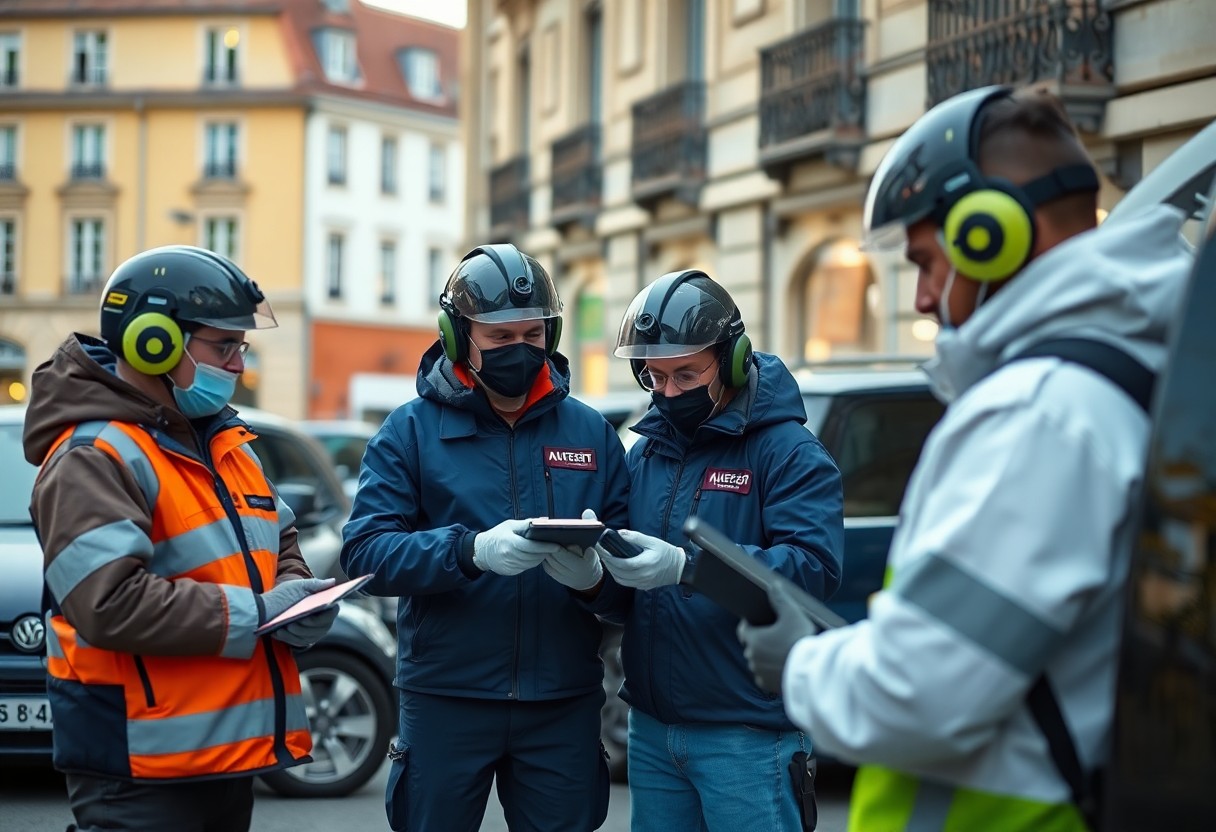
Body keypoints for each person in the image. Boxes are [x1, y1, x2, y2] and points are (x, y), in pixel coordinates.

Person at [738, 85, 1194, 830]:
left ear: (993, 232)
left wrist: (802, 664)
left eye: (925, 259)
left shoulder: (1039, 411)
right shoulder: (1139, 374)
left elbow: (920, 695)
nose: (921, 299)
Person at [22, 245, 339, 832]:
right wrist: (257, 613)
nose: (239, 364)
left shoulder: (224, 442)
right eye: (225, 346)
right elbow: (108, 604)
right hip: (139, 774)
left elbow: (281, 541)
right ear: (153, 341)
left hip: (224, 762)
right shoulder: (93, 455)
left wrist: (296, 600)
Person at [340, 243, 631, 832]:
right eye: (500, 338)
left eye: (532, 334)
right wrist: (468, 552)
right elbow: (365, 554)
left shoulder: (592, 433)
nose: (519, 351)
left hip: (562, 700)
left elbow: (632, 575)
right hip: (447, 697)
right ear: (456, 336)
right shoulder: (410, 433)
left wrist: (597, 582)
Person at [587, 269, 844, 831]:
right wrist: (590, 574)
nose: (669, 392)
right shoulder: (648, 451)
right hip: (653, 731)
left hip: (747, 735)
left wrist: (687, 568)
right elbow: (629, 590)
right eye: (654, 377)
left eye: (686, 373)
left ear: (732, 359)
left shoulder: (788, 453)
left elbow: (812, 571)